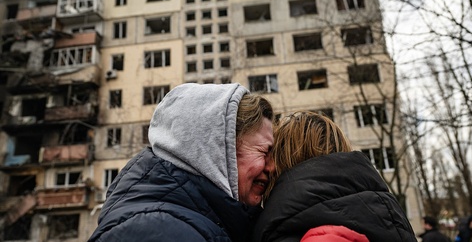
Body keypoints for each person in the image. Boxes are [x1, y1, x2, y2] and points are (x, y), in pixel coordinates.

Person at [89, 83, 275, 242]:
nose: (272, 167)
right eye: (264, 151)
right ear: (216, 150)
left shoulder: (191, 224)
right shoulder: (153, 231)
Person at [252, 111, 418, 242]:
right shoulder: (385, 213)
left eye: (270, 154)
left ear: (285, 158)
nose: (267, 167)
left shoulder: (322, 236)